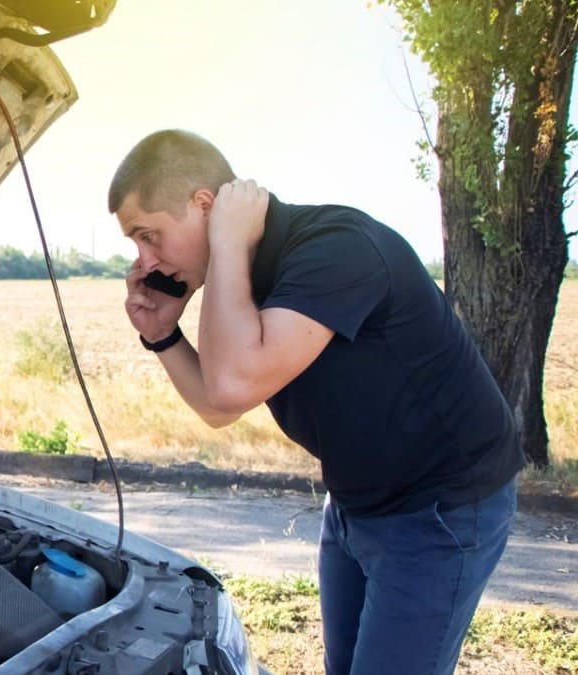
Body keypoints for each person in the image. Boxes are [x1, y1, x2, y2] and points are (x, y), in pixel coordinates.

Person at [108, 129, 524, 675]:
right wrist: (163, 335)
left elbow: (232, 385)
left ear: (205, 206)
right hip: (356, 501)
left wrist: (227, 244)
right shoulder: (245, 275)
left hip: (440, 508)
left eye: (149, 235)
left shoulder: (335, 247)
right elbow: (220, 407)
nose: (145, 260)